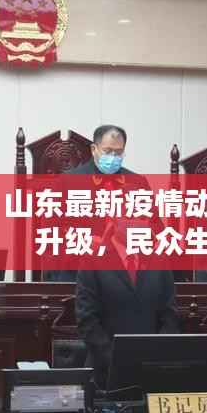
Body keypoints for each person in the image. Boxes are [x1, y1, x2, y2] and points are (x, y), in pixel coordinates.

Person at [75, 217, 180, 388]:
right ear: (114, 219)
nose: (138, 222)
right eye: (130, 216)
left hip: (153, 373)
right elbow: (87, 320)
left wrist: (158, 356)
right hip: (106, 374)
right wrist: (117, 360)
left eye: (143, 217)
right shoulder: (93, 259)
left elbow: (170, 316)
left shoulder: (158, 260)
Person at [45, 124, 140, 282]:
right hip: (78, 270)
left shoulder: (137, 182)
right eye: (107, 151)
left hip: (124, 271)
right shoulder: (67, 182)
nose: (113, 157)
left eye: (118, 152)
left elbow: (154, 229)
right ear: (94, 149)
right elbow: (50, 233)